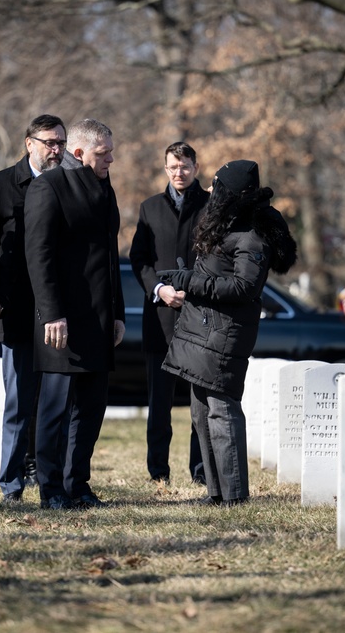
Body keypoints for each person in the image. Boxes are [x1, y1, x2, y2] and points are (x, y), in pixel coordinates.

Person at [160, 160, 297, 506]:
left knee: (222, 410)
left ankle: (235, 496)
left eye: (216, 186)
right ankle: (216, 492)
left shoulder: (252, 233)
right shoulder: (229, 222)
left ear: (231, 193)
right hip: (202, 327)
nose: (209, 190)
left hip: (224, 332)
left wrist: (188, 281)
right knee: (199, 410)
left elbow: (243, 287)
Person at [24, 118, 126, 510]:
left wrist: (116, 311)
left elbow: (110, 258)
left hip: (98, 318)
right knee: (55, 409)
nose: (111, 159)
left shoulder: (105, 189)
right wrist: (51, 313)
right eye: (104, 153)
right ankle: (51, 488)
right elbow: (39, 255)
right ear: (78, 153)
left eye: (111, 151)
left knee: (90, 408)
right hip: (60, 320)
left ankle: (78, 483)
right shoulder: (48, 187)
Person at [0, 115, 70, 503]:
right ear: (28, 143)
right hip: (16, 310)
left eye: (61, 143)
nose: (56, 150)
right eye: (49, 142)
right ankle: (11, 485)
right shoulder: (1, 186)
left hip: (56, 312)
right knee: (18, 403)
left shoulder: (68, 183)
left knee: (53, 403)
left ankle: (54, 482)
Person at [129, 141, 209, 486]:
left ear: (195, 167)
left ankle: (201, 470)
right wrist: (159, 290)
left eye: (185, 166)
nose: (179, 172)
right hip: (160, 319)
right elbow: (139, 260)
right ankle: (158, 471)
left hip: (199, 316)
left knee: (199, 403)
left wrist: (194, 289)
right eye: (173, 167)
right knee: (159, 403)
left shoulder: (211, 207)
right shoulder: (149, 208)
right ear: (165, 169)